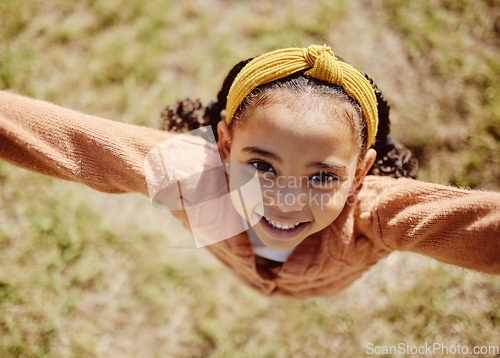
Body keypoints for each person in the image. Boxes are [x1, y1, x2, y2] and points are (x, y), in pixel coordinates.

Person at [0, 45, 498, 300]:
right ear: (224, 145)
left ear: (362, 172)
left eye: (322, 177)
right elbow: (69, 140)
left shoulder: (375, 212)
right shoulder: (194, 173)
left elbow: (471, 225)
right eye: (260, 165)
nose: (284, 199)